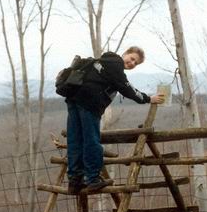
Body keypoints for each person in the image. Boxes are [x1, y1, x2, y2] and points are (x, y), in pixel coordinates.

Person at [65, 46, 165, 194]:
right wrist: (148, 98)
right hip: (89, 104)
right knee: (91, 140)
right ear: (124, 54)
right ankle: (92, 179)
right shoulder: (115, 63)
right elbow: (127, 88)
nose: (131, 63)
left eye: (135, 63)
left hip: (74, 100)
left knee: (75, 140)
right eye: (131, 58)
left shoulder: (104, 62)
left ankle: (75, 181)